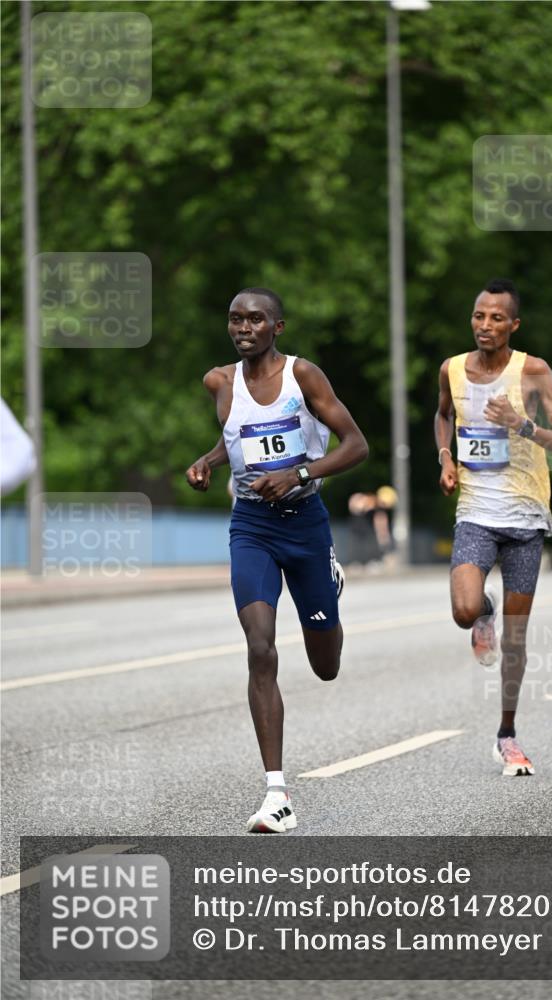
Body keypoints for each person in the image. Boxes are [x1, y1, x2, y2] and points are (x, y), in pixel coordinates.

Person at [186, 288, 368, 832]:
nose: (244, 327)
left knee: (326, 666)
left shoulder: (302, 377)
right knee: (260, 648)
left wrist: (301, 473)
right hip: (252, 527)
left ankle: (327, 582)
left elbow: (356, 445)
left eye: (255, 319)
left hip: (306, 525)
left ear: (277, 327)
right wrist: (209, 461)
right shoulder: (219, 381)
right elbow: (236, 439)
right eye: (235, 319)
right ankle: (277, 795)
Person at [435, 278, 552, 777]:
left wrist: (520, 424)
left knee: (516, 641)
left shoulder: (533, 371)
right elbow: (442, 415)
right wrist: (445, 456)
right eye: (479, 316)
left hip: (524, 519)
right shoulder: (452, 369)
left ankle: (507, 735)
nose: (486, 325)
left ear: (513, 325)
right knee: (463, 609)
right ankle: (484, 611)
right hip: (476, 511)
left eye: (497, 318)